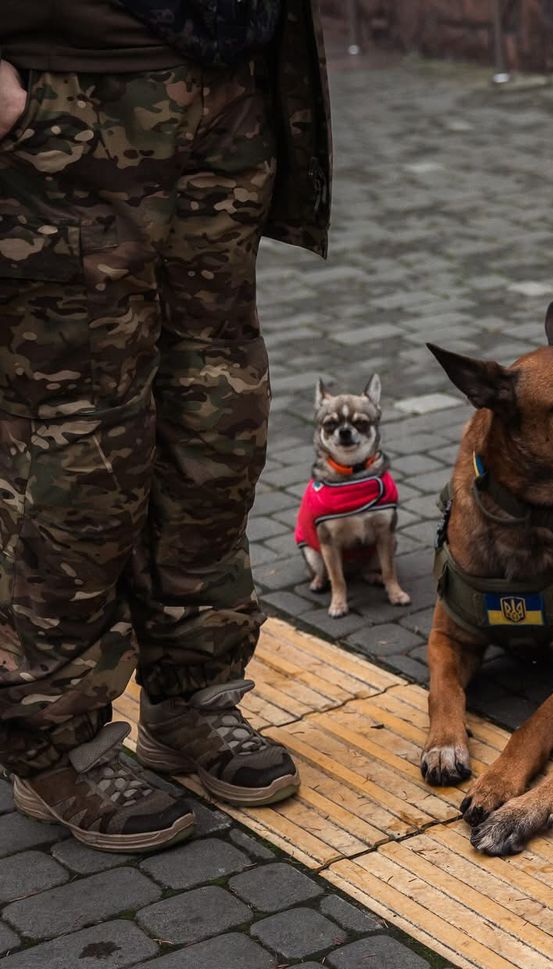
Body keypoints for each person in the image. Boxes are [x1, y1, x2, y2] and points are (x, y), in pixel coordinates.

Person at [0, 0, 332, 852]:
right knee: (76, 441)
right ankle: (54, 739)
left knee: (214, 414)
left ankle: (192, 694)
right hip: (64, 93)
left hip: (226, 77)